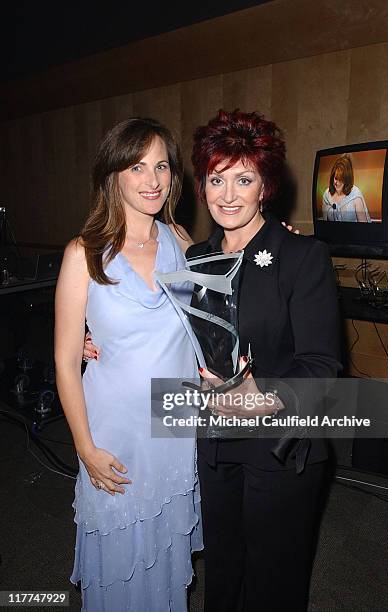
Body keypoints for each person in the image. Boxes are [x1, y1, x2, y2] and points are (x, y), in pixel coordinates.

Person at [187, 109, 342, 612]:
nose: (228, 194)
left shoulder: (302, 256)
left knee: (273, 580)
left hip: (279, 447)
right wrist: (93, 339)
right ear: (202, 184)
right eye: (216, 179)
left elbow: (323, 366)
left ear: (265, 186)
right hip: (216, 444)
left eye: (244, 179)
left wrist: (264, 397)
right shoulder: (196, 261)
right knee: (224, 574)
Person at [55, 117, 203, 612]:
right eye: (137, 167)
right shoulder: (84, 253)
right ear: (113, 175)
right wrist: (84, 448)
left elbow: (212, 321)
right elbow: (63, 359)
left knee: (163, 559)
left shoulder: (182, 240)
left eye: (160, 166)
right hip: (113, 434)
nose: (152, 180)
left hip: (173, 427)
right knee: (119, 567)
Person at [322, 154, 371, 222]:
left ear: (347, 179)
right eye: (336, 178)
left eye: (341, 179)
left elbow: (363, 227)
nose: (337, 183)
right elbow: (324, 225)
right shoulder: (326, 195)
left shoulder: (355, 194)